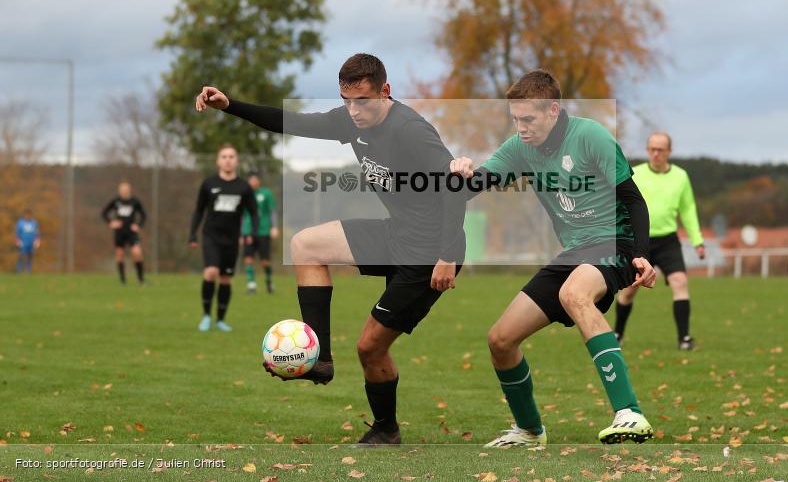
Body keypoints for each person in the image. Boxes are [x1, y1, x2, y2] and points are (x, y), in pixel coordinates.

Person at [195, 53, 466, 445]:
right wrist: (231, 106)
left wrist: (448, 255)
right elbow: (293, 122)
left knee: (369, 348)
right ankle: (319, 360)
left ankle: (386, 429)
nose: (353, 111)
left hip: (428, 254)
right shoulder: (349, 119)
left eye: (363, 101)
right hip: (396, 235)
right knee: (305, 244)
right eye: (346, 100)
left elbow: (455, 186)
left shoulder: (412, 131)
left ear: (385, 92)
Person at [450, 70, 656, 446]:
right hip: (574, 252)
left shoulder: (589, 135)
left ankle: (629, 413)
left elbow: (634, 199)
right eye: (515, 119)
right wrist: (461, 174)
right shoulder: (519, 148)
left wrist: (641, 254)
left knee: (573, 294)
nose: (521, 127)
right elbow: (474, 186)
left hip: (616, 242)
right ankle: (530, 431)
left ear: (553, 110)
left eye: (528, 118)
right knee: (500, 339)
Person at [614, 132, 705, 351]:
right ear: (647, 150)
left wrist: (697, 241)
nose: (655, 153)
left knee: (680, 283)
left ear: (669, 152)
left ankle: (684, 338)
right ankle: (617, 333)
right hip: (639, 241)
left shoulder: (681, 177)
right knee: (628, 291)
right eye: (652, 149)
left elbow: (688, 209)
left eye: (660, 150)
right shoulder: (636, 174)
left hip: (668, 241)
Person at [189, 144, 259, 332]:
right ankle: (205, 316)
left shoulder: (244, 187)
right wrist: (192, 234)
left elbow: (253, 213)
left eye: (231, 156)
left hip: (232, 240)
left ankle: (220, 320)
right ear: (218, 161)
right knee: (211, 272)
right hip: (211, 236)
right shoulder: (209, 184)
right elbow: (198, 210)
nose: (228, 159)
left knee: (226, 278)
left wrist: (251, 233)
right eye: (224, 156)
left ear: (236, 161)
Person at [101, 181, 147, 285]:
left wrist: (138, 225)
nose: (124, 191)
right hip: (119, 232)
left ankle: (140, 279)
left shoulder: (135, 202)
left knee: (137, 252)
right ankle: (123, 281)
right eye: (122, 189)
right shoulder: (116, 201)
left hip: (131, 232)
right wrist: (111, 222)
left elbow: (143, 215)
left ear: (129, 189)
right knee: (120, 254)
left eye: (126, 189)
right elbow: (104, 213)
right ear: (119, 190)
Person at [241, 172, 279, 294]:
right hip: (247, 230)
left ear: (259, 181)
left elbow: (272, 211)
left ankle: (269, 281)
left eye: (255, 180)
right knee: (248, 258)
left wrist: (274, 227)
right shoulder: (244, 194)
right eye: (250, 180)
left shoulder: (266, 193)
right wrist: (240, 233)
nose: (253, 182)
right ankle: (251, 285)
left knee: (265, 261)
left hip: (263, 231)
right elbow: (240, 215)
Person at [15, 209, 41, 275]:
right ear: (24, 215)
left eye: (29, 215)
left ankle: (28, 271)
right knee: (23, 256)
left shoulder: (34, 223)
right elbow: (17, 233)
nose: (27, 216)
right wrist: (18, 241)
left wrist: (37, 241)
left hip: (31, 243)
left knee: (30, 256)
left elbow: (37, 233)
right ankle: (19, 270)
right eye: (26, 215)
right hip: (23, 242)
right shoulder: (20, 223)